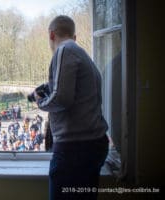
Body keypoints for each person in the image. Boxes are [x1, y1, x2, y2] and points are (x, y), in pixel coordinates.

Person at [33, 15, 109, 200]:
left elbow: (62, 99)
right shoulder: (83, 55)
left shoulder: (64, 50)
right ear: (74, 36)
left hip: (74, 149)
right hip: (93, 144)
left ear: (51, 35)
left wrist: (39, 101)